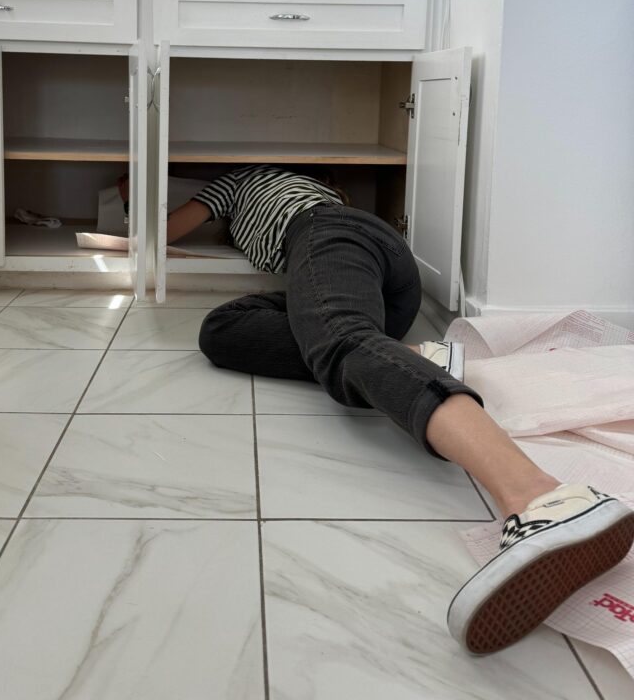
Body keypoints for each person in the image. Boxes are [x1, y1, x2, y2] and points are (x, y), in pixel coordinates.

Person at [165, 163, 634, 655]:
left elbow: (166, 231)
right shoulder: (309, 189)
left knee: (343, 340)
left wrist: (132, 207)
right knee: (225, 329)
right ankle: (409, 358)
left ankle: (544, 497)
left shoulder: (239, 181)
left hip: (326, 235)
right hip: (388, 280)